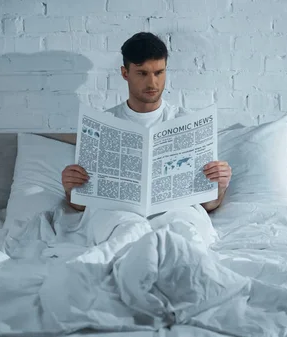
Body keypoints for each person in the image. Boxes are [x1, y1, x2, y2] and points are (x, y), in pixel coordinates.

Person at [61, 32, 232, 245]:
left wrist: (221, 185)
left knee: (184, 232)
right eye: (142, 73)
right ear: (125, 73)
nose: (152, 82)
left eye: (159, 72)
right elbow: (81, 205)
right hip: (119, 214)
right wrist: (70, 189)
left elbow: (209, 204)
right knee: (123, 233)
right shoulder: (103, 123)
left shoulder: (188, 122)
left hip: (176, 215)